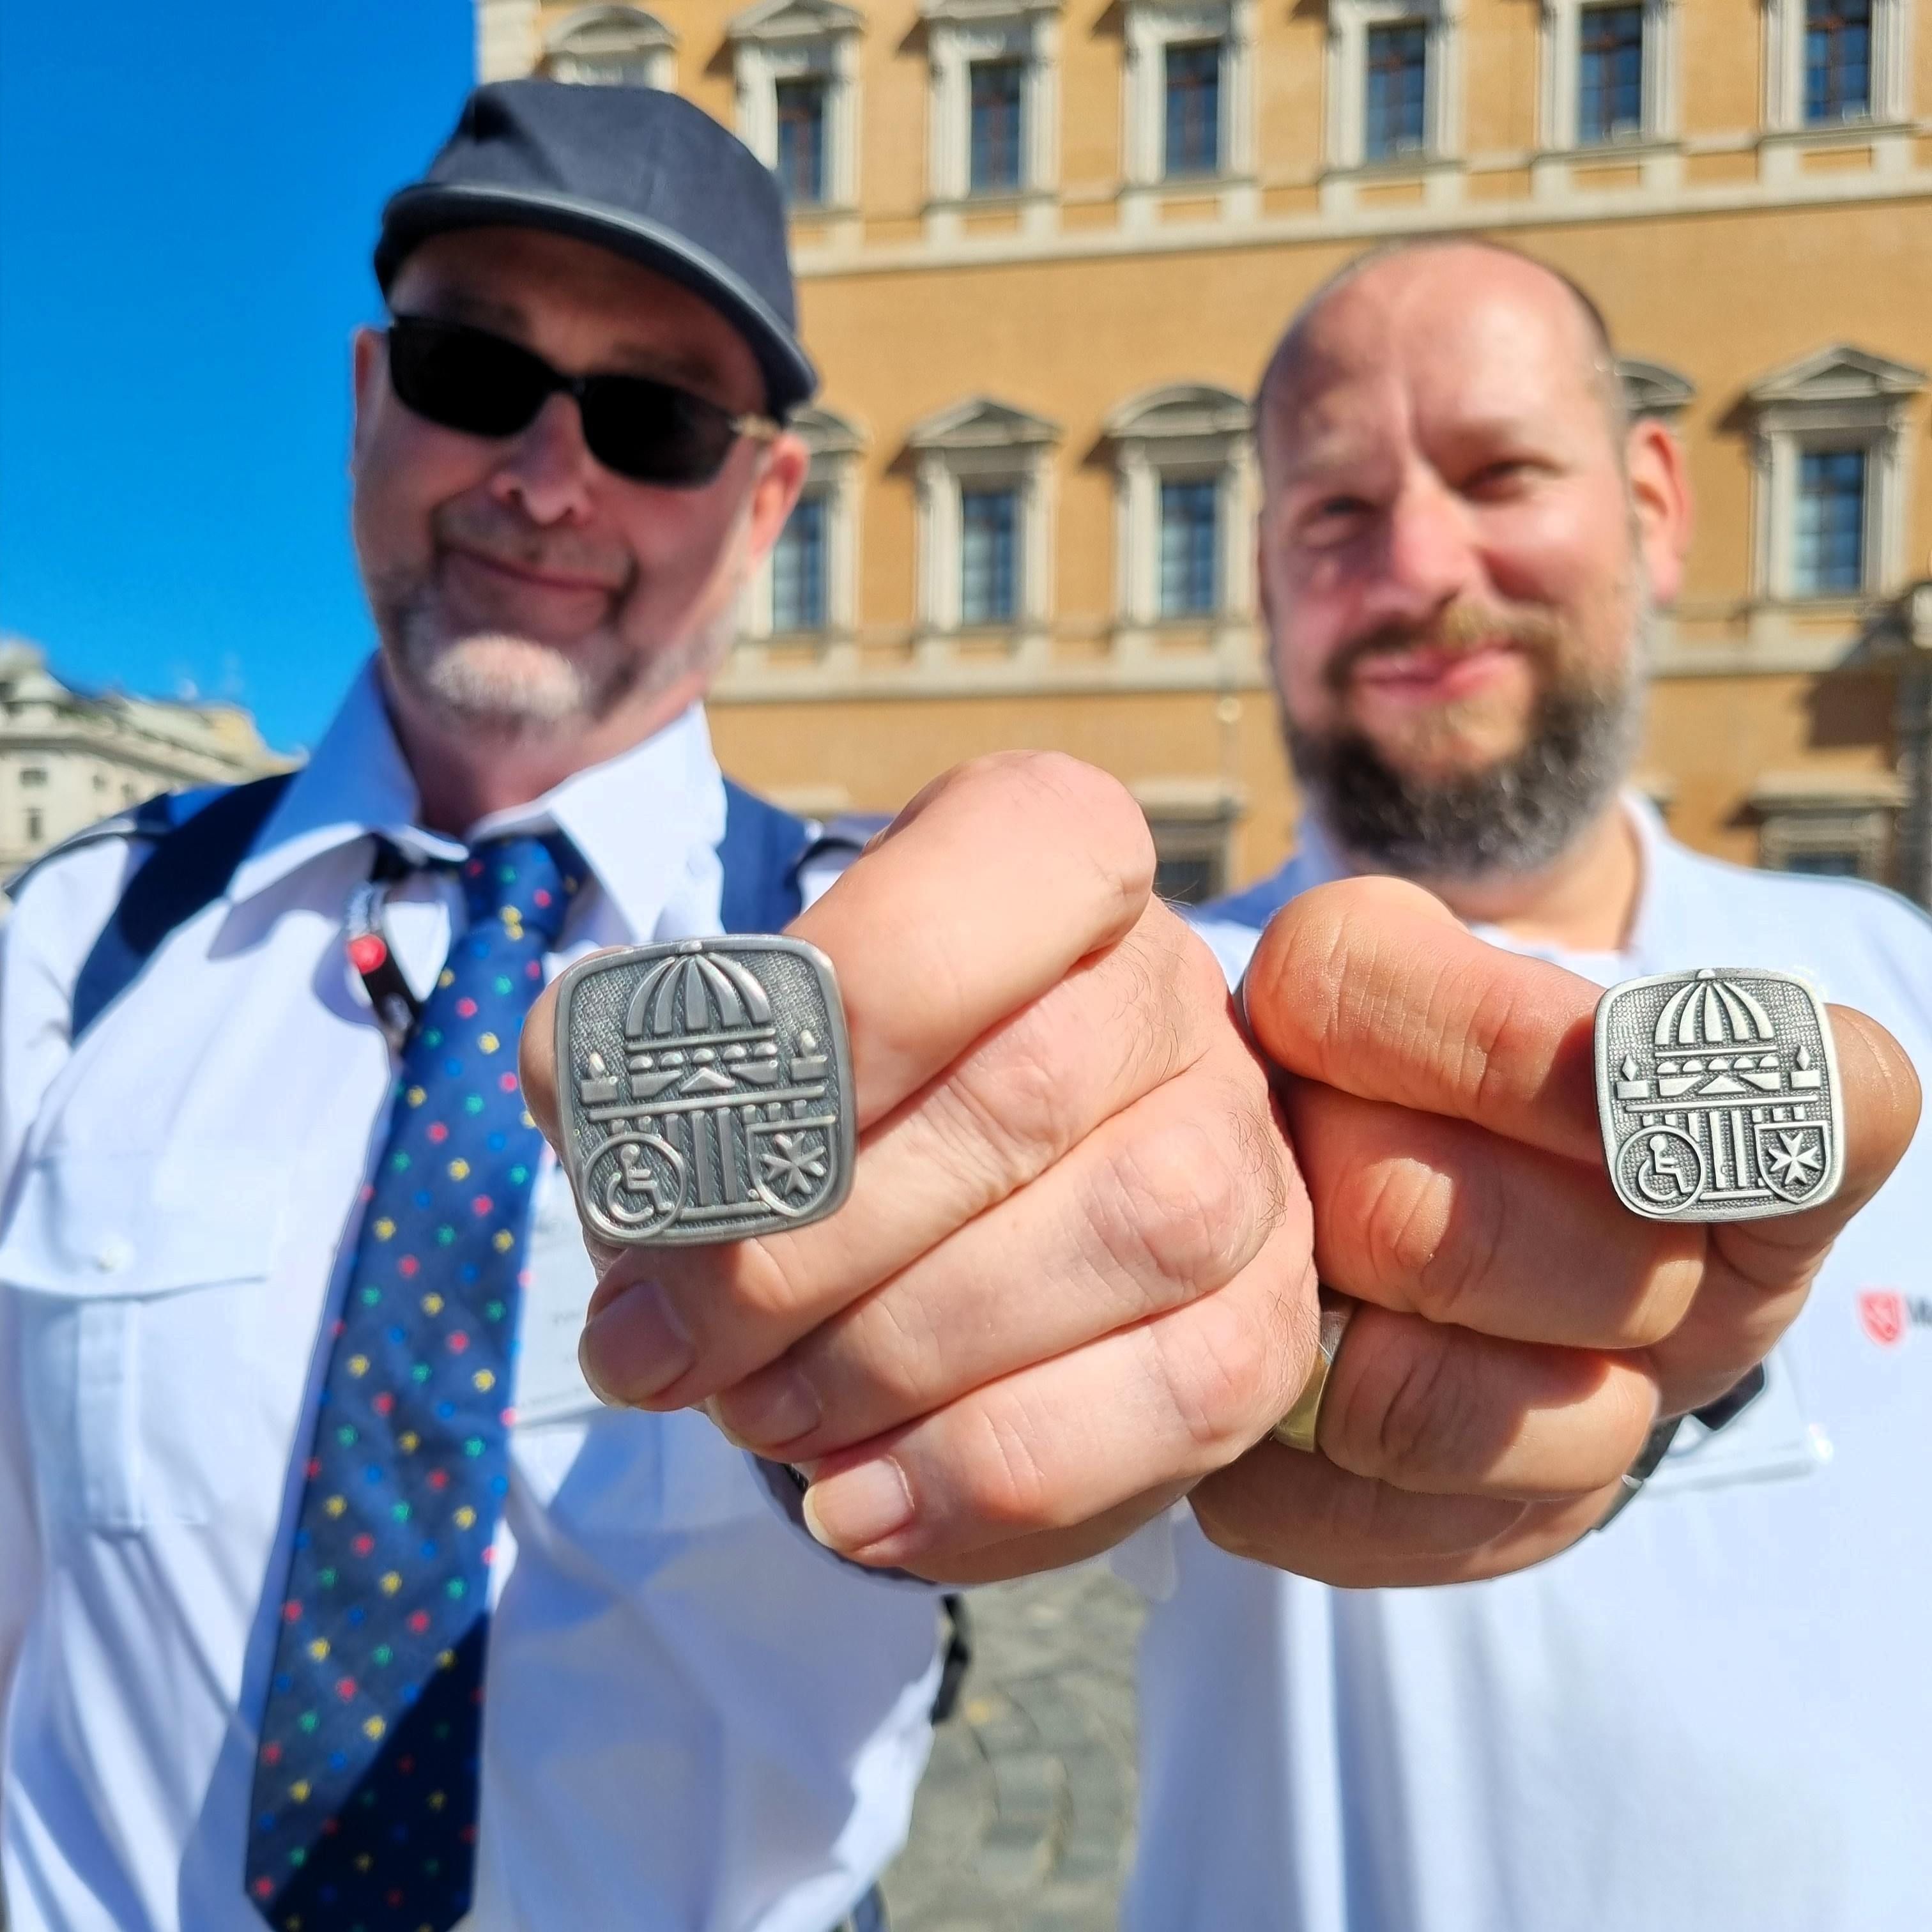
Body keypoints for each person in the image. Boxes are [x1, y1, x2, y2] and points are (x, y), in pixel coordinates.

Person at [0, 84, 1910, 1931]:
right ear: (366, 398)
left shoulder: (859, 925)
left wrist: (1240, 1205)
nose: (546, 473)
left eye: (653, 417)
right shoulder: (69, 946)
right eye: (473, 375)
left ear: (764, 506)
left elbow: (1183, 1052)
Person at [1120, 238, 1932, 1930]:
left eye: (1500, 474)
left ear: (1653, 500)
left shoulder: (1895, 978)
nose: (1421, 567)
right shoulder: (1158, 1023)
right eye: (1336, 515)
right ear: (1263, 577)